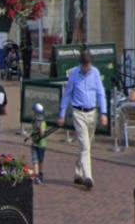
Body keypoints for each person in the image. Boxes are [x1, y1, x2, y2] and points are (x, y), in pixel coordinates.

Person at [58, 50, 108, 190]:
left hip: (92, 113)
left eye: (88, 65)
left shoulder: (95, 73)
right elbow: (67, 94)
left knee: (86, 145)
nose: (86, 68)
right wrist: (62, 114)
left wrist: (103, 113)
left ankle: (77, 172)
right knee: (85, 145)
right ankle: (88, 177)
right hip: (78, 112)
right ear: (80, 64)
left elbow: (100, 93)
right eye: (84, 66)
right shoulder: (74, 74)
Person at [30, 102, 49, 183]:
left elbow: (42, 133)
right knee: (35, 160)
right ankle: (36, 175)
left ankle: (40, 174)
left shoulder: (42, 122)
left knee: (40, 160)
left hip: (41, 144)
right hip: (34, 143)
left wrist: (39, 129)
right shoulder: (34, 121)